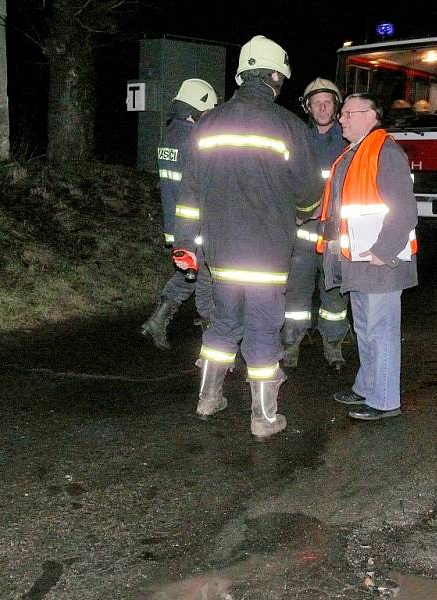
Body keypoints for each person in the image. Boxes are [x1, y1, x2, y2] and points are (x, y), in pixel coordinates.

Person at [173, 35, 323, 438]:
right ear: (274, 75)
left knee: (223, 324)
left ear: (242, 75)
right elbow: (310, 193)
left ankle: (208, 398)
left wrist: (184, 243)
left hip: (220, 253)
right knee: (261, 328)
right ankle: (263, 418)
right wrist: (301, 215)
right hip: (267, 253)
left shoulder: (208, 123)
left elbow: (189, 194)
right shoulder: (289, 126)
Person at [316, 93, 418, 421]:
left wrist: (381, 252)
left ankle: (385, 400)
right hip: (358, 260)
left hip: (379, 261)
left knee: (381, 329)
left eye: (348, 113)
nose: (341, 118)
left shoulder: (385, 151)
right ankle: (367, 386)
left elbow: (404, 211)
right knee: (365, 328)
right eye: (342, 113)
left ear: (371, 115)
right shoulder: (355, 152)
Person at [140, 78, 218, 350]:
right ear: (197, 110)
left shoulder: (170, 135)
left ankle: (157, 320)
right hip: (195, 225)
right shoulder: (196, 141)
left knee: (189, 275)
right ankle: (214, 344)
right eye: (208, 113)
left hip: (176, 224)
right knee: (208, 279)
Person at [281, 77, 349, 370]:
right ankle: (291, 343)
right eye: (316, 102)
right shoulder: (297, 139)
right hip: (303, 230)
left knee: (334, 290)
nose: (322, 107)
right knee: (296, 291)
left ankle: (333, 345)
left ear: (336, 106)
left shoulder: (349, 141)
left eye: (328, 101)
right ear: (308, 107)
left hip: (337, 231)